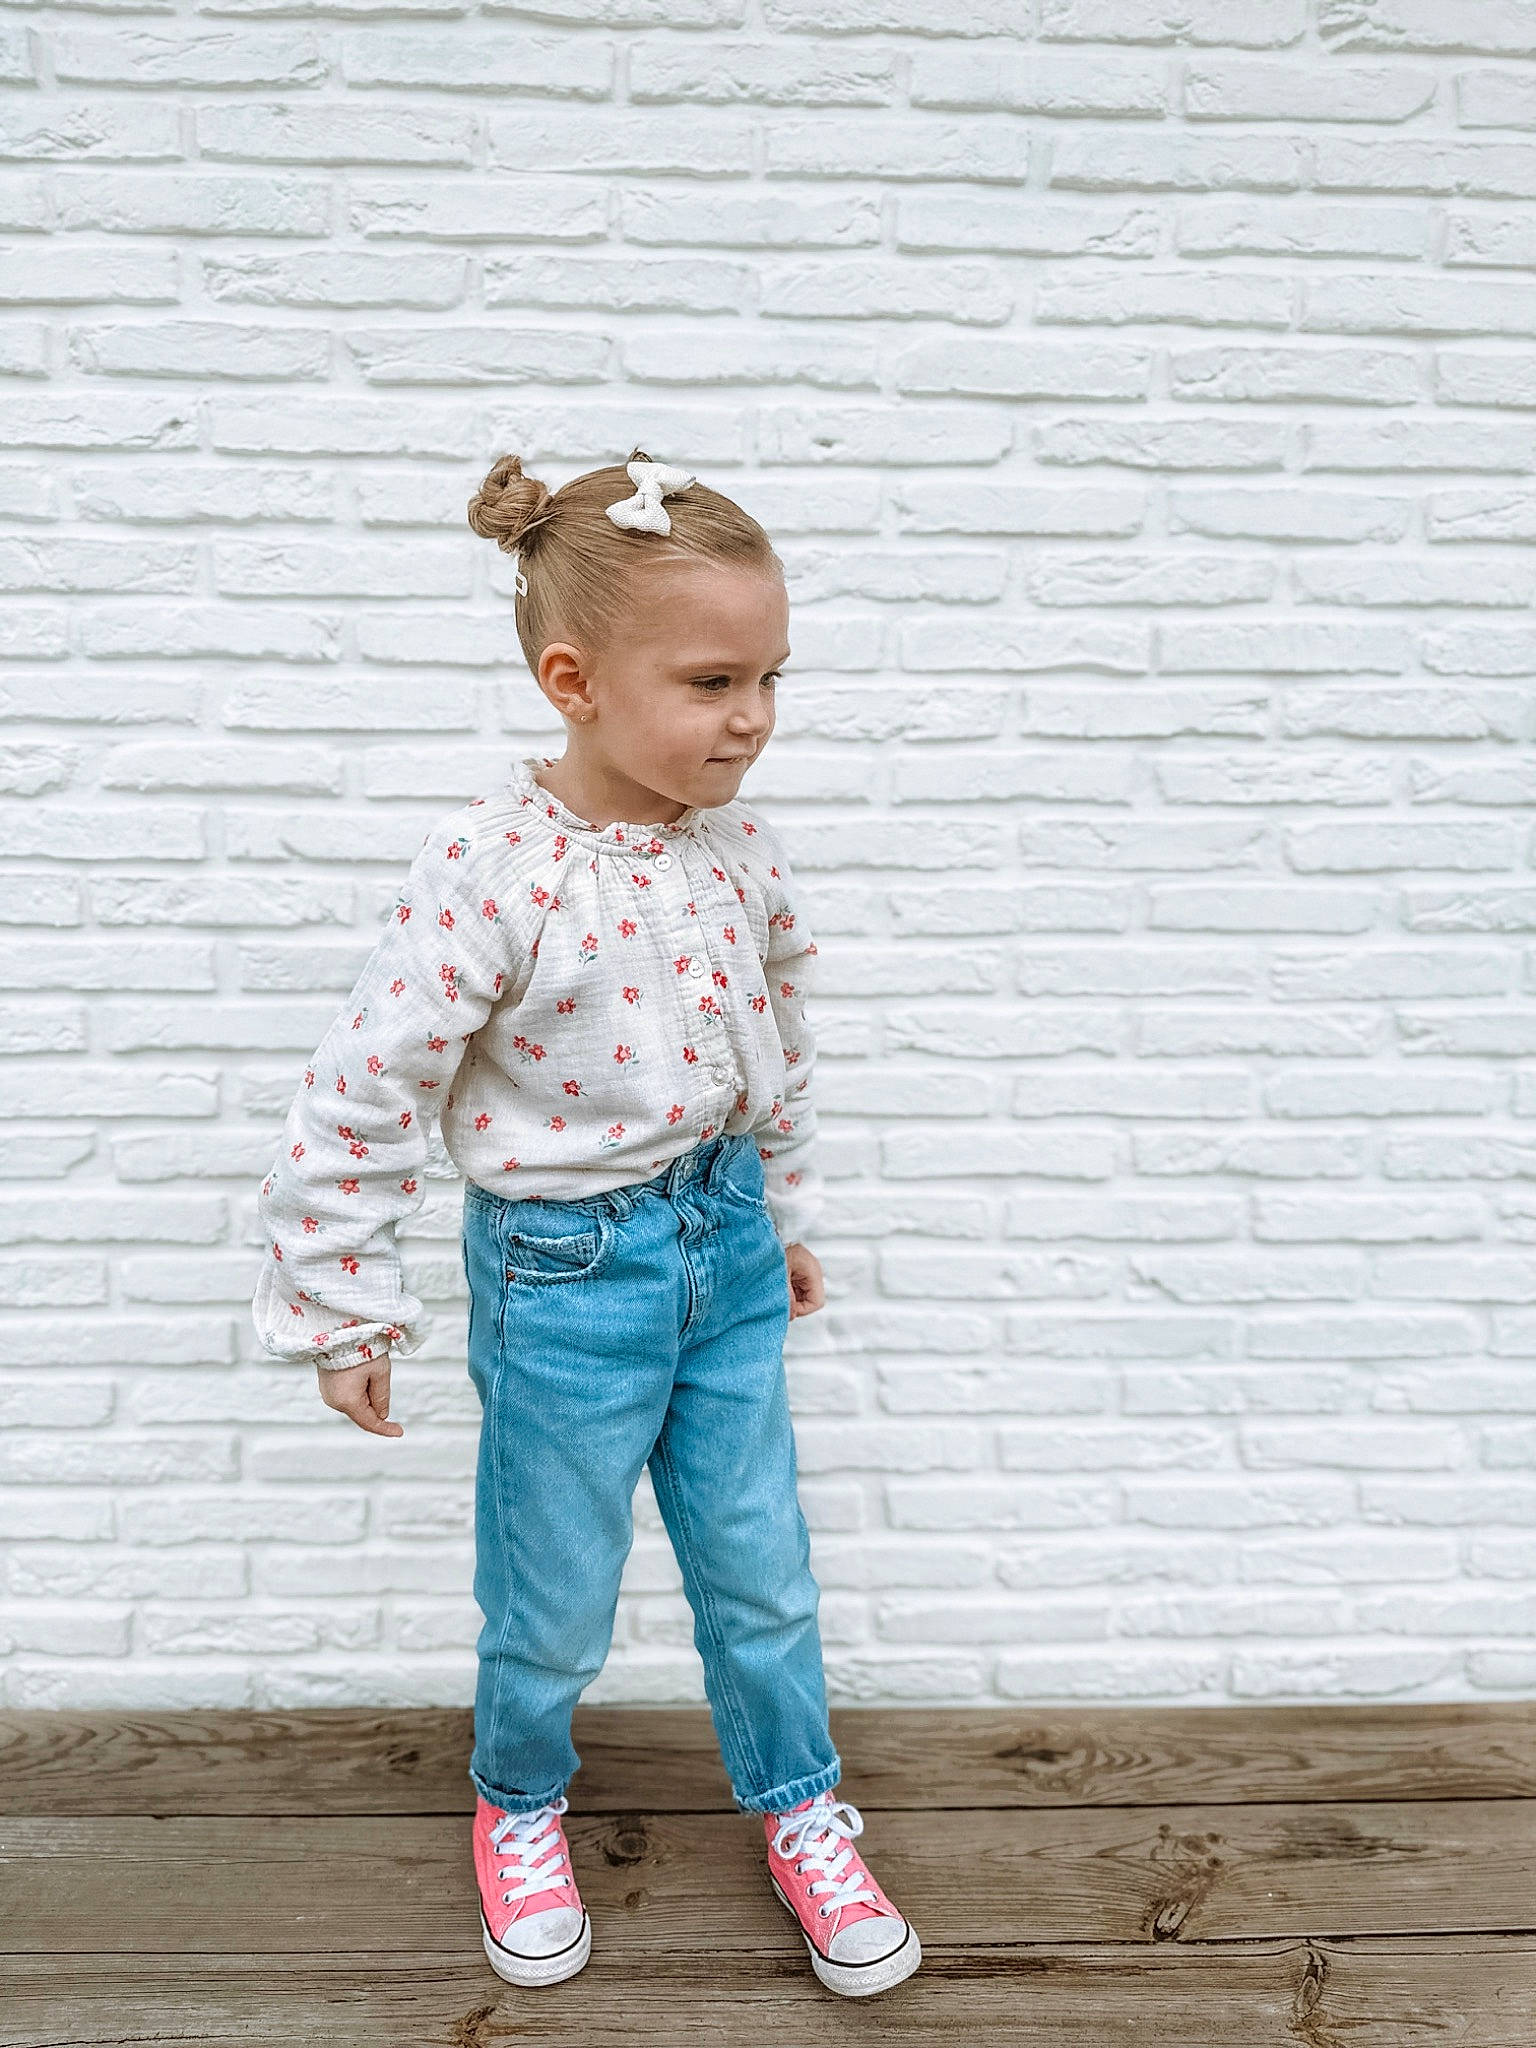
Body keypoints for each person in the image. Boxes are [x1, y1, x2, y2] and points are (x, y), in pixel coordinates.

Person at [249, 449, 922, 2001]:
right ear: (574, 682)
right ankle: (519, 1803)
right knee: (551, 1593)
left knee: (762, 1570)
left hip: (725, 1249)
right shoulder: (496, 872)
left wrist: (782, 1214)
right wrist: (344, 1309)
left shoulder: (743, 852)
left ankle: (800, 1804)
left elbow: (776, 1047)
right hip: (564, 1277)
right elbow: (363, 1089)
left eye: (771, 677)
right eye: (712, 682)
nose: (752, 717)